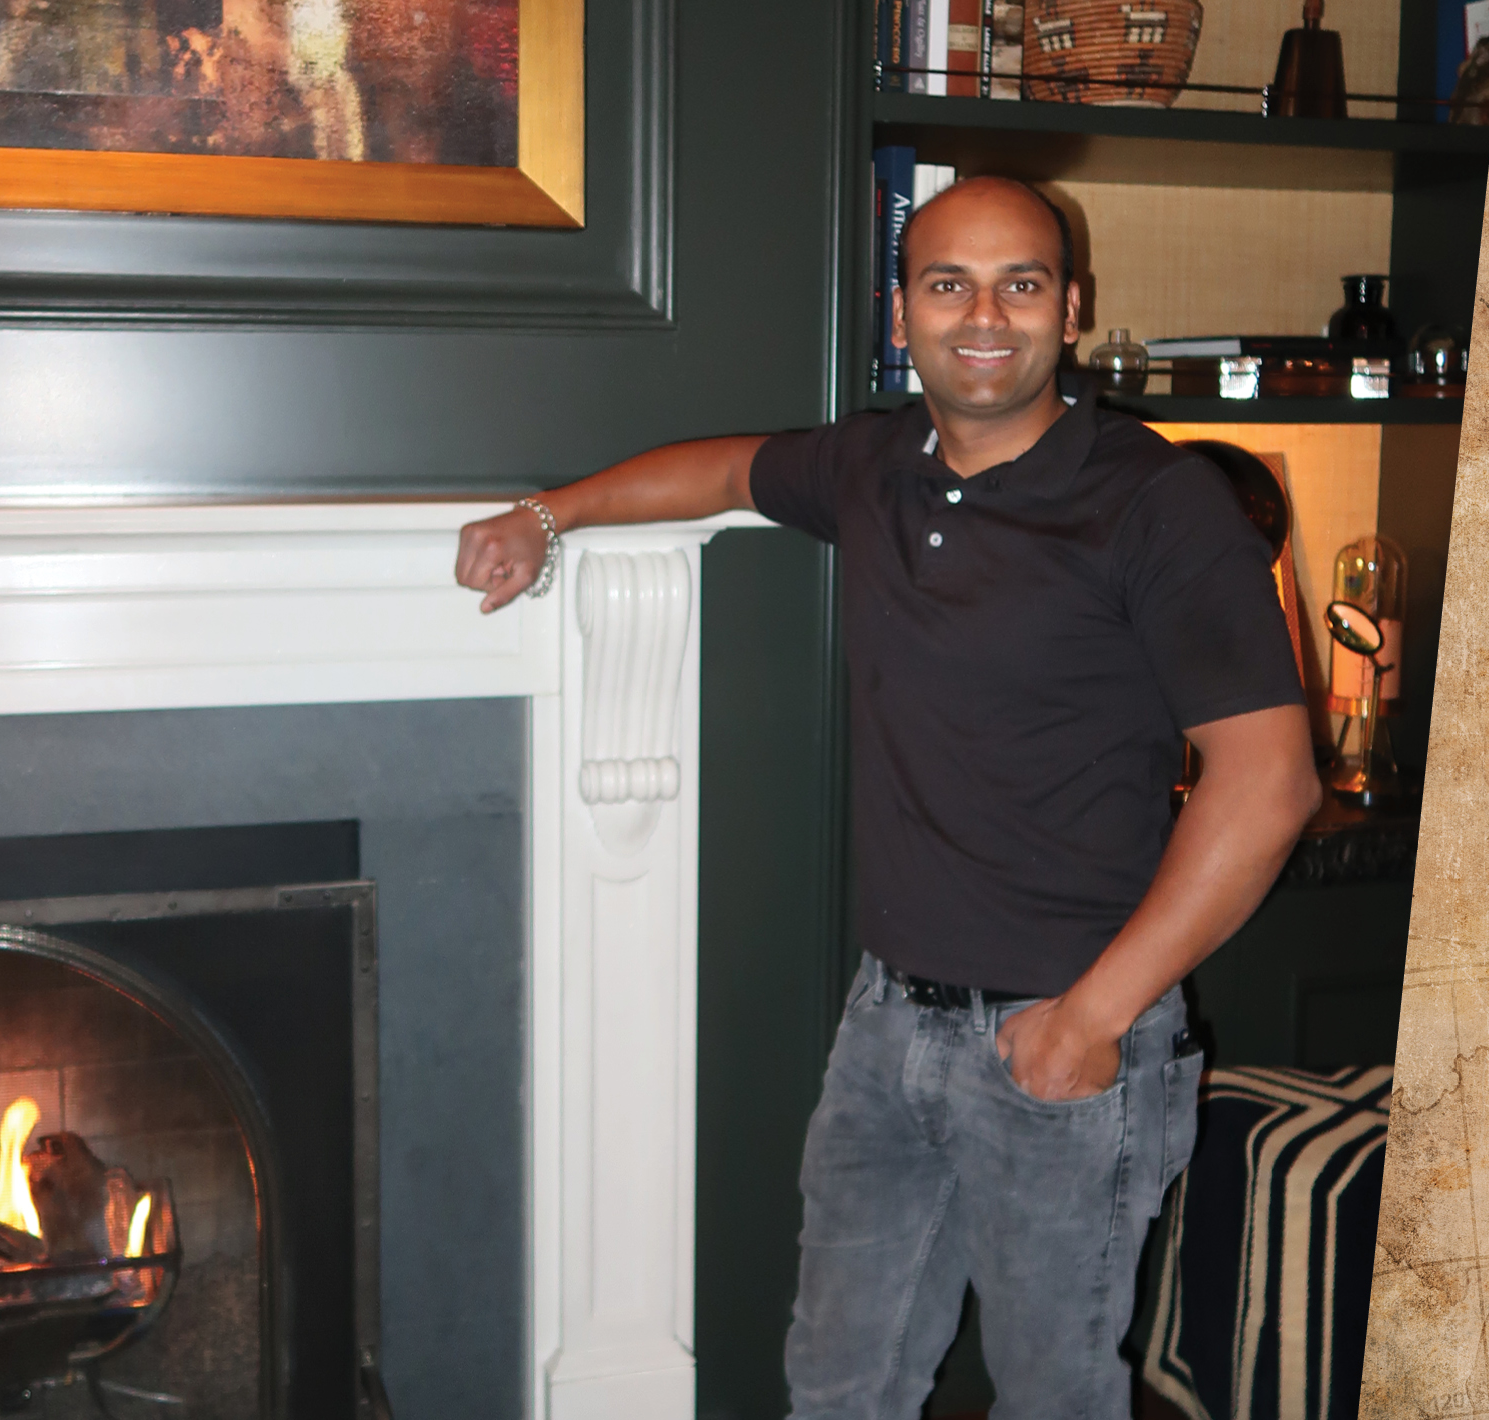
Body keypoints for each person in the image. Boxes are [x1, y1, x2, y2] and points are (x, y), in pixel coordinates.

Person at [455, 176, 1321, 1415]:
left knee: (1053, 1399)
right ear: (901, 311)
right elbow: (725, 471)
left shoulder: (1155, 501)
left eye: (1021, 283)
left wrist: (1091, 1018)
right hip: (886, 1034)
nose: (984, 314)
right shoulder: (876, 464)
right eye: (947, 283)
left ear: (1072, 308)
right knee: (839, 1390)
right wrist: (552, 514)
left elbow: (1270, 781)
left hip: (1070, 1039)